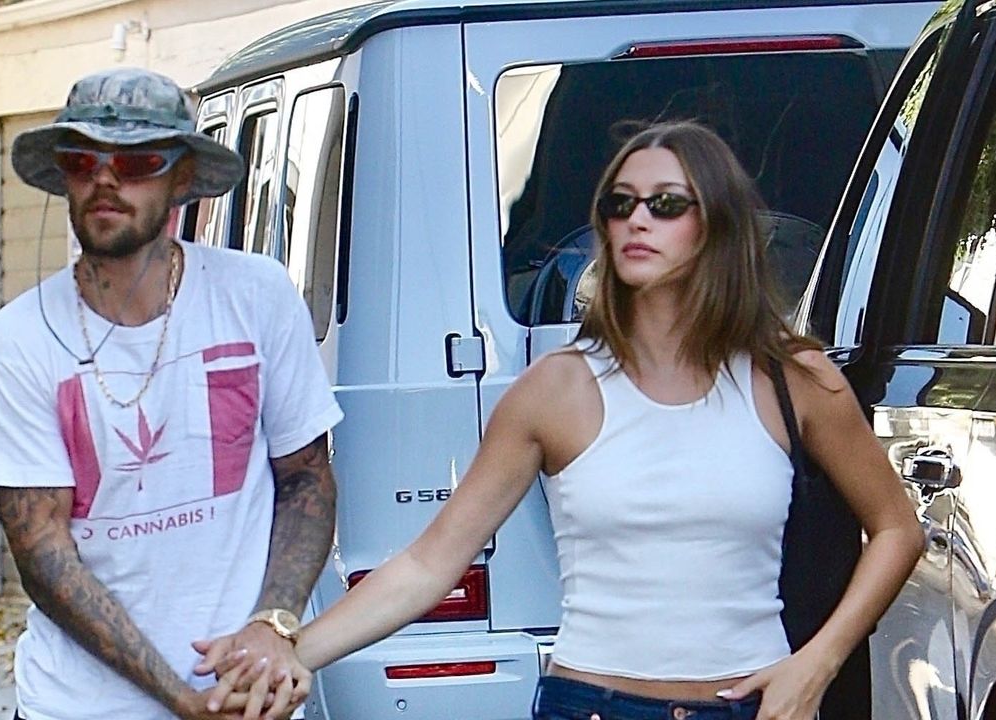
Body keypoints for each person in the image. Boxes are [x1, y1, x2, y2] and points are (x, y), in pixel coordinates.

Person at [195, 121, 925, 720]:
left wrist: (817, 664)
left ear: (718, 226)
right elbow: (428, 564)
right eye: (619, 203)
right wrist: (288, 648)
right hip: (593, 706)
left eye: (666, 204)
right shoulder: (557, 388)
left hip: (753, 704)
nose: (637, 220)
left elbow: (897, 528)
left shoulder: (792, 377)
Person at [0, 67, 343, 720]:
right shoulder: (13, 343)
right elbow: (45, 555)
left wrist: (272, 624)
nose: (105, 179)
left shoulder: (256, 296)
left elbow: (306, 479)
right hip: (79, 710)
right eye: (82, 160)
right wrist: (183, 701)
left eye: (137, 161)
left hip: (248, 696)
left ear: (182, 178)